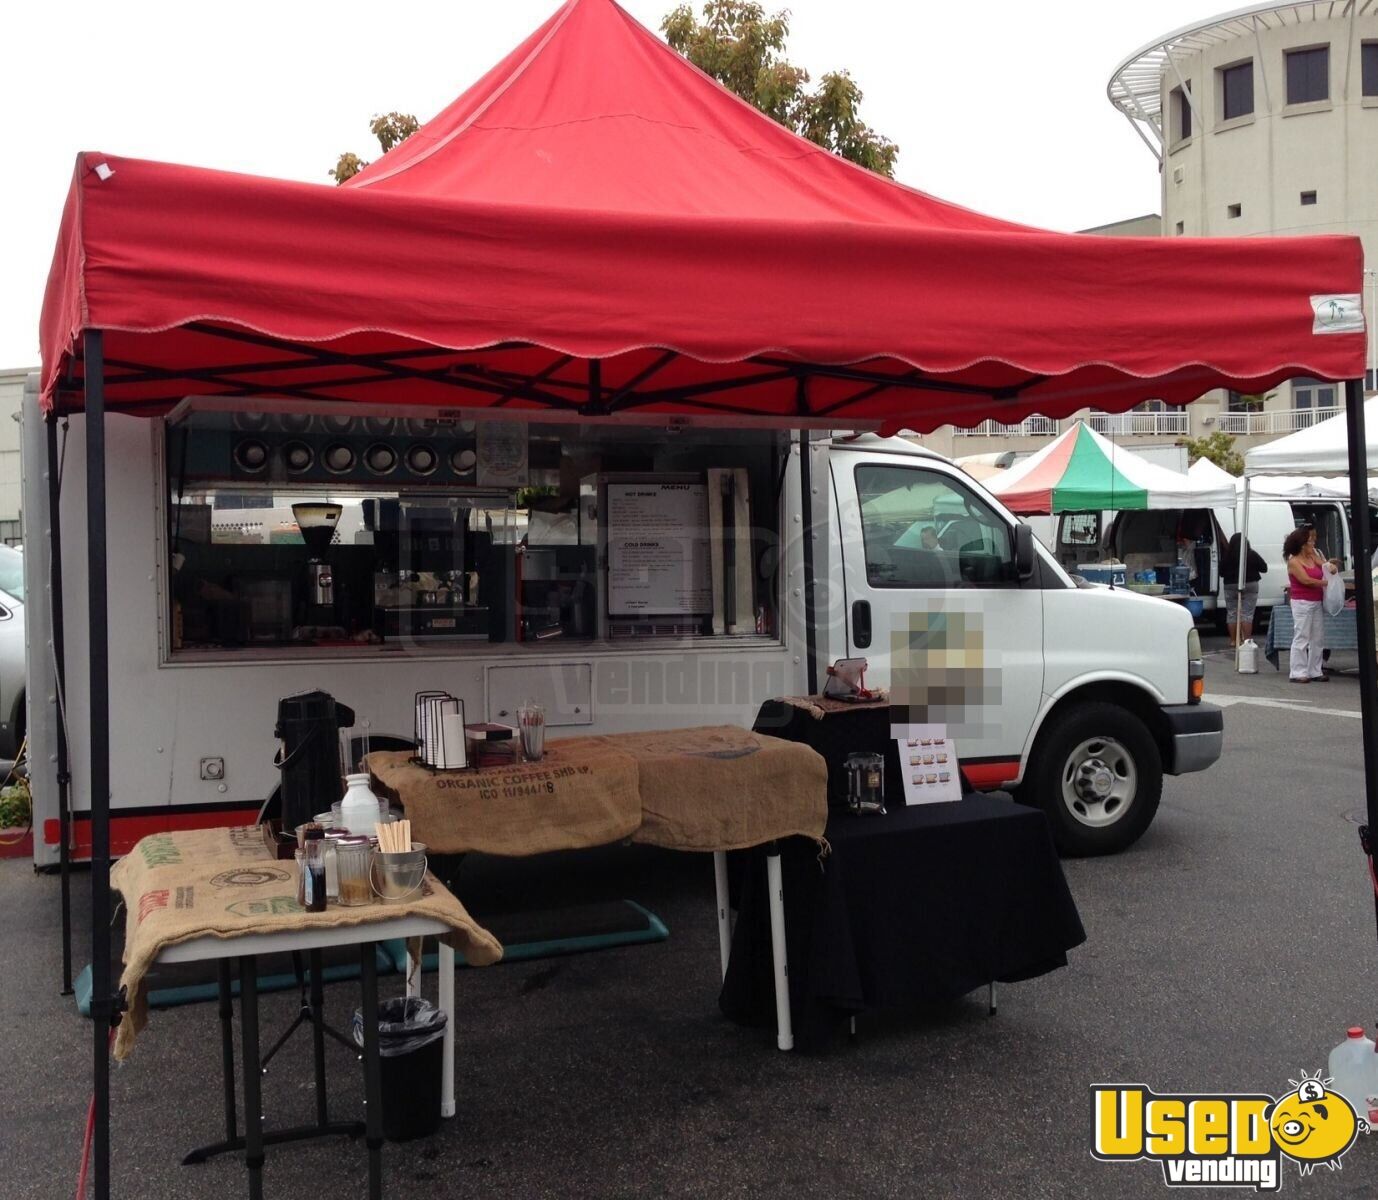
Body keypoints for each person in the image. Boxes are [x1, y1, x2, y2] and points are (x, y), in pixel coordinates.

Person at [1283, 524, 1334, 683]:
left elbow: (1324, 565)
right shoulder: (1294, 561)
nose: (1313, 543)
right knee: (1302, 636)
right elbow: (1305, 580)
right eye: (1309, 540)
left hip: (1316, 601)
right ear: (1301, 543)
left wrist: (1330, 566)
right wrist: (1326, 583)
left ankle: (1315, 670)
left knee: (1317, 638)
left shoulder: (1312, 556)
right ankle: (1297, 671)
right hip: (1302, 602)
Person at [1222, 531, 1267, 646]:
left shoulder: (1226, 555)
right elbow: (1264, 568)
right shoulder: (1251, 554)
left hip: (1230, 585)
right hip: (1250, 584)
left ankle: (1233, 640)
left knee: (1232, 613)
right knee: (1247, 613)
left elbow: (1221, 572)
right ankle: (1246, 640)